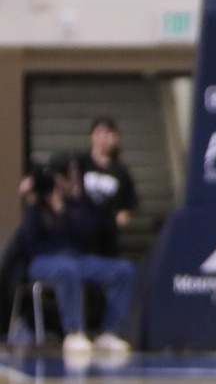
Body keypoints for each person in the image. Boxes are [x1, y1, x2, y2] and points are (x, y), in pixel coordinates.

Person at [14, 161, 133, 357]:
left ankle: (109, 333)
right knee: (67, 269)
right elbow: (27, 241)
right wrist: (30, 199)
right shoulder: (34, 206)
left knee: (124, 270)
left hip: (77, 258)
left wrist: (62, 211)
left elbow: (85, 234)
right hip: (42, 260)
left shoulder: (76, 204)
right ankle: (74, 331)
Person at [76, 117, 138, 247]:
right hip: (81, 227)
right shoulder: (81, 163)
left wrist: (123, 214)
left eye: (108, 133)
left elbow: (130, 199)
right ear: (92, 136)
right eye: (99, 133)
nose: (103, 138)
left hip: (107, 232)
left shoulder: (121, 171)